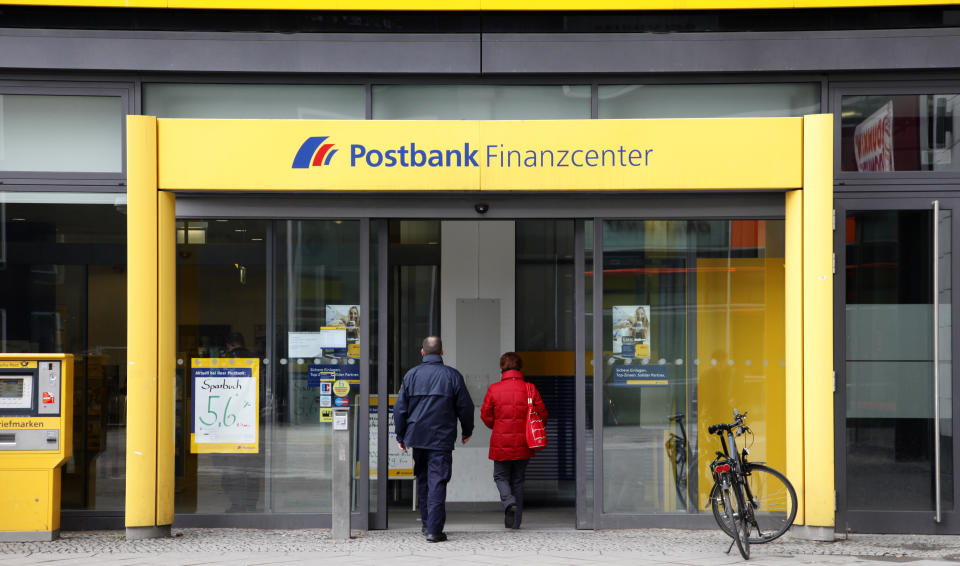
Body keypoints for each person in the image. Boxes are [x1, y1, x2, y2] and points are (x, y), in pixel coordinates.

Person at [394, 336, 474, 543]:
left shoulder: (411, 375)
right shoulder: (452, 376)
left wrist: (400, 435)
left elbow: (400, 409)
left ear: (422, 352)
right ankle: (434, 530)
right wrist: (467, 430)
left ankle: (426, 524)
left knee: (423, 479)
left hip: (417, 437)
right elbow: (465, 407)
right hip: (441, 438)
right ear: (442, 352)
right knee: (437, 480)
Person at [480, 352, 547, 530]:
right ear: (520, 367)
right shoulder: (530, 388)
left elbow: (485, 415)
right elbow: (542, 415)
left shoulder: (494, 389)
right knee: (518, 480)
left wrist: (498, 425)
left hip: (501, 442)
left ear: (502, 368)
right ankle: (516, 522)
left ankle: (509, 502)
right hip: (524, 442)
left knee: (500, 476)